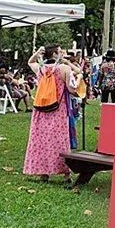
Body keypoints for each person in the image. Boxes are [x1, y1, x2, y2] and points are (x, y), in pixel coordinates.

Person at [22, 46, 77, 182]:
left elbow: (30, 62)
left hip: (41, 108)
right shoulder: (64, 69)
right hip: (58, 108)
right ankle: (65, 174)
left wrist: (37, 52)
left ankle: (43, 173)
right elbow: (72, 89)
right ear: (55, 54)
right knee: (60, 139)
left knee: (41, 140)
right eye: (60, 51)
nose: (62, 52)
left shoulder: (41, 69)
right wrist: (80, 79)